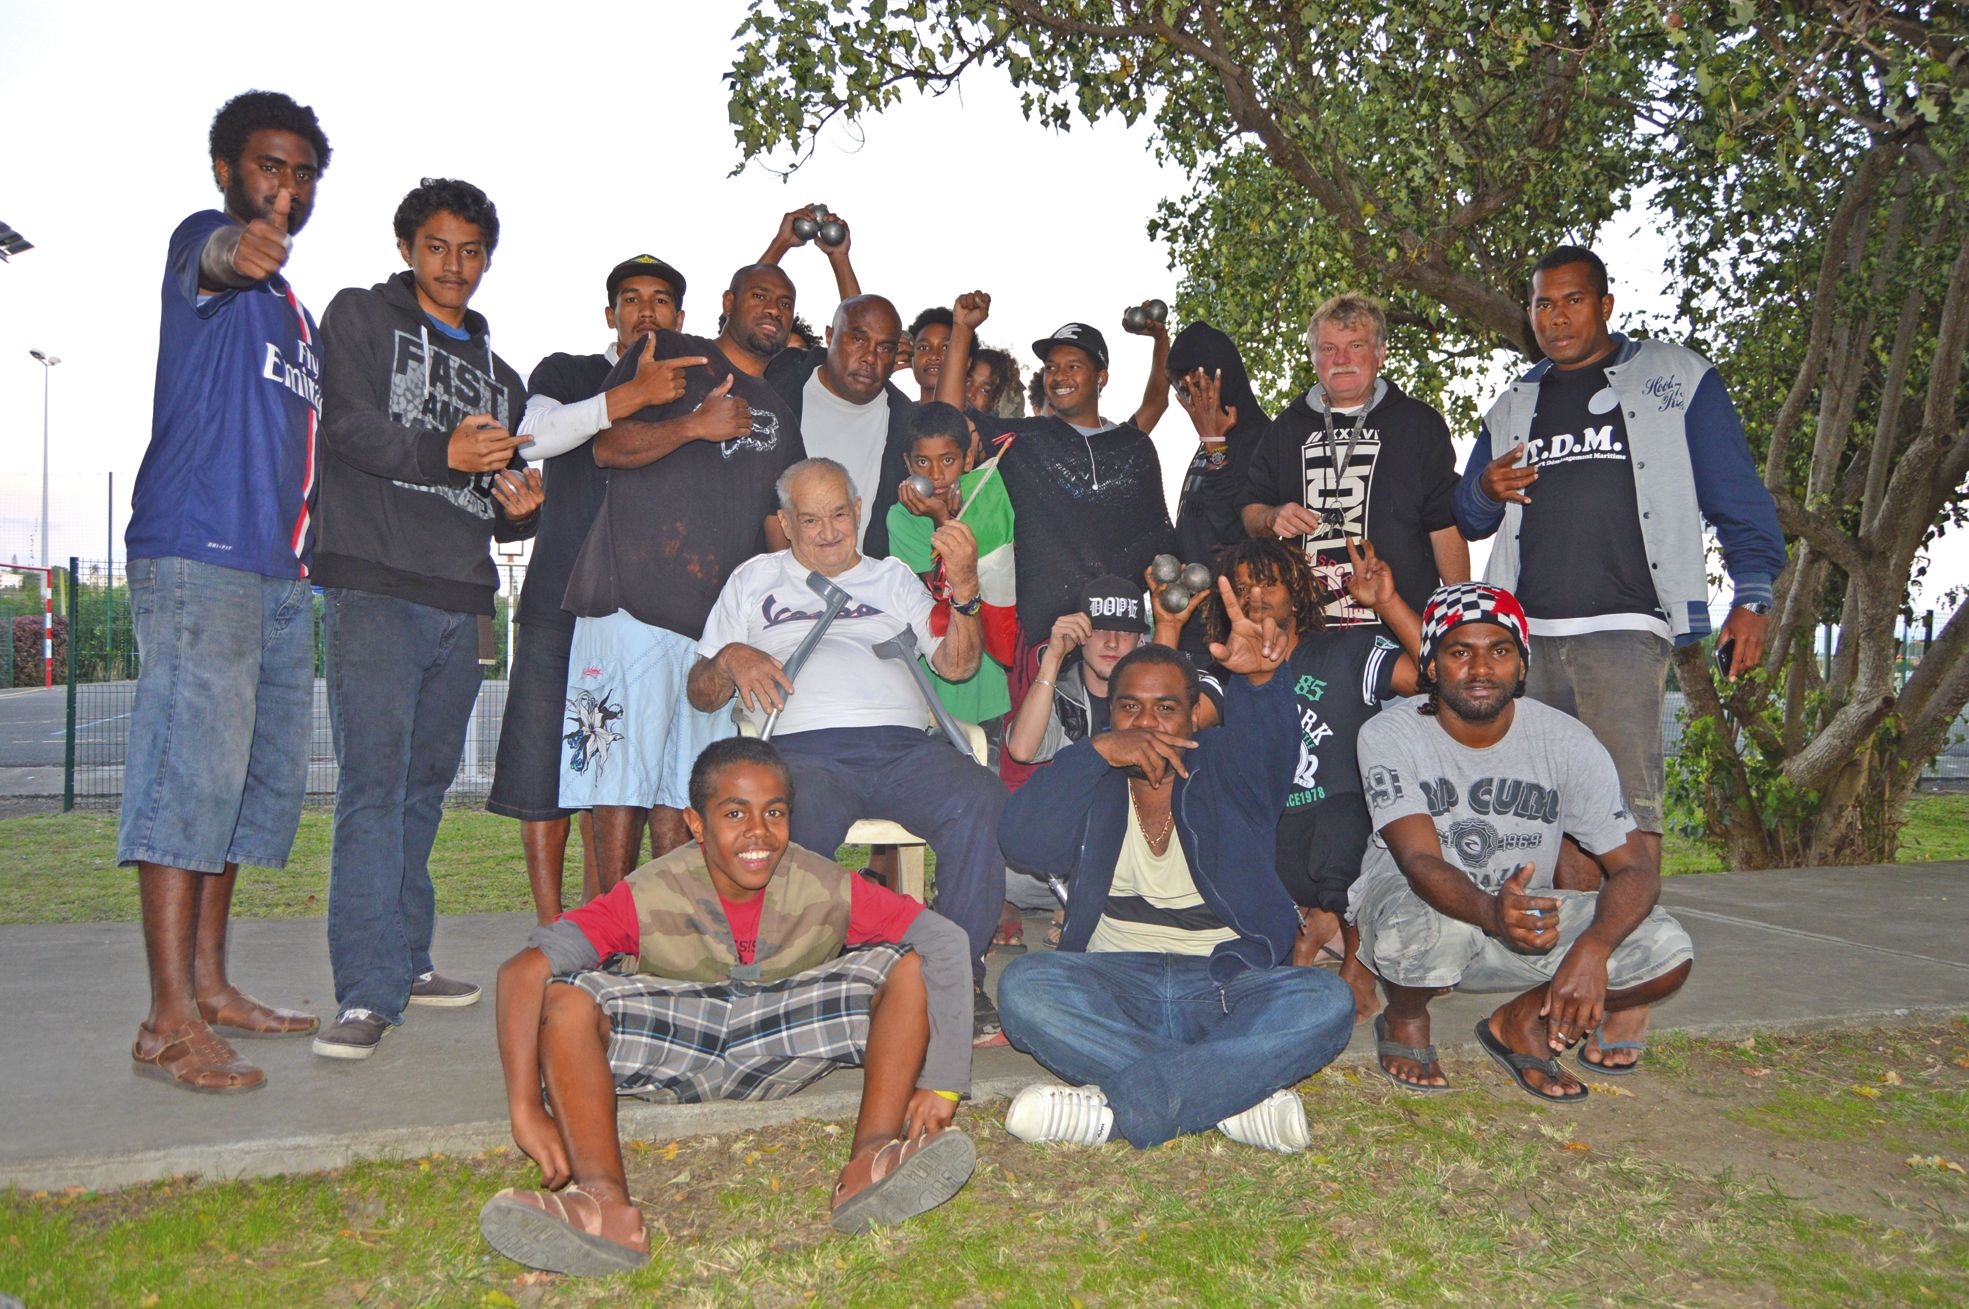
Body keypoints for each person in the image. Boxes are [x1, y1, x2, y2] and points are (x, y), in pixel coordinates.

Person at [1453, 246, 1782, 1068]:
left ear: (1603, 303)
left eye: (1570, 301)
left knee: (1625, 817)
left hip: (1623, 628)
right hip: (1528, 636)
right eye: (1541, 305)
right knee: (1553, 817)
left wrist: (1756, 592)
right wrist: (1485, 489)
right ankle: (1570, 980)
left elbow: (1734, 495)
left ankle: (1628, 992)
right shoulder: (1513, 399)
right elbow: (1466, 511)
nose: (1555, 317)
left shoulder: (1675, 379)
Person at [480, 737, 976, 1274]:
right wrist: (526, 1107)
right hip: (677, 1039)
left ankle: (872, 1161)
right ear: (696, 824)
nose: (758, 832)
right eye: (734, 813)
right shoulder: (647, 892)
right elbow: (521, 972)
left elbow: (944, 940)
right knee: (566, 998)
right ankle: (603, 1205)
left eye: (775, 813)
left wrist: (943, 1080)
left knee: (904, 965)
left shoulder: (823, 883)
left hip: (780, 1037)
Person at [120, 90, 332, 1093]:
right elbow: (217, 258)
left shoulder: (296, 313)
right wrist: (234, 246)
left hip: (275, 571)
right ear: (226, 170)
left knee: (238, 793)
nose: (283, 190)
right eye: (267, 168)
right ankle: (165, 1021)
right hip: (199, 552)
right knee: (185, 783)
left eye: (299, 175)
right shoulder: (206, 247)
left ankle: (209, 987)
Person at [311, 178, 545, 1060]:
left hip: (460, 594)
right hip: (374, 582)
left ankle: (406, 959)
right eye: (438, 246)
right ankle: (366, 992)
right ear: (408, 247)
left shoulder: (503, 376)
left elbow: (493, 501)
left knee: (420, 791)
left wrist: (518, 506)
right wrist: (438, 450)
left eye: (471, 250)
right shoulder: (361, 320)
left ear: (488, 258)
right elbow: (347, 427)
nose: (455, 265)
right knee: (372, 787)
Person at [995, 596, 1354, 1151]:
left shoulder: (1227, 766)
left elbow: (1269, 751)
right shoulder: (1093, 773)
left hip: (1225, 980)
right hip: (1115, 981)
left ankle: (1112, 1113)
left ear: (1194, 716)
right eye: (1129, 708)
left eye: (1166, 708)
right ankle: (1231, 1096)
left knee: (1325, 1001)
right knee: (1024, 988)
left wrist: (1261, 681)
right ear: (1110, 714)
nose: (1146, 724)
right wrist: (1094, 754)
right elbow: (1022, 841)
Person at [687, 458, 1010, 1038]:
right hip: (801, 752)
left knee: (980, 797)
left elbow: (957, 668)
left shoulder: (892, 579)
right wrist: (732, 657)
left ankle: (957, 974)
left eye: (840, 514)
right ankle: (800, 977)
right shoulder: (754, 579)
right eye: (811, 520)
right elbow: (701, 694)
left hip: (906, 747)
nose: (829, 530)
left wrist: (964, 592)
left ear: (859, 510)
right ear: (786, 524)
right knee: (794, 815)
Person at [1351, 582, 1694, 1101]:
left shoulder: (1566, 740)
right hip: (1427, 918)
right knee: (1427, 922)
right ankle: (1405, 1017)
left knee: (1667, 950)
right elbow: (1419, 860)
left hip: (1528, 925)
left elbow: (1636, 868)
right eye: (1461, 651)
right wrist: (1491, 913)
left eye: (1501, 651)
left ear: (1522, 664)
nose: (1482, 669)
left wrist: (1594, 947)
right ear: (1431, 665)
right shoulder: (1390, 734)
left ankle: (1523, 1019)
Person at [557, 263, 808, 896]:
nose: (772, 309)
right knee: (618, 785)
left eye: (785, 301)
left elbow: (777, 530)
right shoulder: (667, 355)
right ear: (728, 302)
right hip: (629, 605)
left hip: (715, 636)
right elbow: (606, 446)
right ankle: (607, 943)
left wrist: (791, 608)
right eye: (759, 296)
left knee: (686, 789)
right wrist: (696, 424)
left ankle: (670, 938)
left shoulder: (779, 412)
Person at [487, 254, 698, 923]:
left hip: (653, 613)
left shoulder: (698, 392)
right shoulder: (569, 372)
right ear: (610, 314)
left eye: (659, 300)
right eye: (630, 299)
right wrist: (628, 396)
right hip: (561, 600)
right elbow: (536, 437)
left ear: (680, 318)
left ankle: (604, 915)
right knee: (545, 779)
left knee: (619, 777)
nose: (644, 311)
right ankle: (554, 930)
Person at [1169, 538, 1423, 1022]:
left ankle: (1356, 965)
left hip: (1345, 833)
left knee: (1346, 813)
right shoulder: (1229, 666)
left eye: (1268, 583)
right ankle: (1299, 931)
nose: (1255, 597)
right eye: (1242, 588)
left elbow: (1434, 677)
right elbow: (1173, 727)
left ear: (1298, 589)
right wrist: (1169, 626)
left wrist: (1387, 604)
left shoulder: (1347, 650)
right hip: (1272, 841)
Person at [939, 293, 1177, 650]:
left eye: (1072, 366)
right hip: (1044, 643)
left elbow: (1158, 543)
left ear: (1102, 377)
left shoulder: (1133, 447)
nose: (1059, 376)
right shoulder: (1025, 440)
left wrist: (1161, 341)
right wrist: (961, 330)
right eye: (1051, 367)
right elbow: (948, 421)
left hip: (1119, 637)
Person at [1239, 292, 1468, 625]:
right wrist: (1272, 517)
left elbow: (1444, 525)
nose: (1341, 359)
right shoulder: (1284, 428)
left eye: (1356, 346)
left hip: (1400, 629)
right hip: (1309, 633)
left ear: (1381, 353)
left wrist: (1460, 614)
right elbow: (1250, 512)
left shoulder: (1418, 423)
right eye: (1329, 349)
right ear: (1314, 357)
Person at [885, 402, 1019, 733]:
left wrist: (942, 516)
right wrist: (939, 517)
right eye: (922, 462)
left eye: (948, 460)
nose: (935, 474)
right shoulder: (901, 518)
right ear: (907, 464)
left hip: (986, 676)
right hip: (936, 676)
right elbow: (942, 590)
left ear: (968, 459)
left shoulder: (989, 503)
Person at [764, 293, 913, 556]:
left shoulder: (904, 421)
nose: (870, 357)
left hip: (863, 591)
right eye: (858, 339)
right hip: (774, 581)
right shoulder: (779, 384)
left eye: (884, 348)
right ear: (830, 336)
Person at [906, 306, 953, 404]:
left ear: (967, 362)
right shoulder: (898, 414)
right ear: (911, 359)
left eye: (945, 348)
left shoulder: (977, 419)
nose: (934, 356)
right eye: (923, 348)